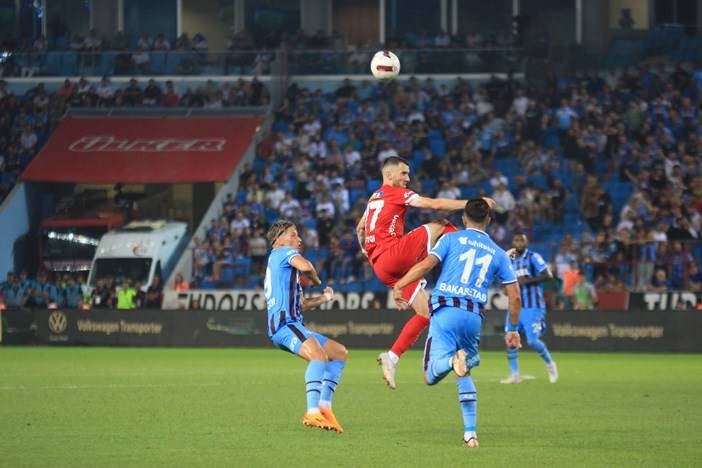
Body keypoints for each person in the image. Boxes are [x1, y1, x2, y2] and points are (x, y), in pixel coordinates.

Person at [391, 198, 522, 447]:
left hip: (445, 311)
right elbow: (514, 297)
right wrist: (513, 330)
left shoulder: (451, 239)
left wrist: (400, 284)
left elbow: (427, 265)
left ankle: (452, 360)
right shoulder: (497, 252)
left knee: (430, 375)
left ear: (463, 218)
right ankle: (470, 433)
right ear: (489, 221)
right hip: (473, 317)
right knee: (465, 372)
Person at [357, 156, 491, 389]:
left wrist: (369, 254)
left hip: (382, 267)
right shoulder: (395, 193)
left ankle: (392, 357)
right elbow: (435, 204)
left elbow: (360, 229)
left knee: (425, 313)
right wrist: (472, 203)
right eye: (404, 174)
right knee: (440, 223)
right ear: (389, 176)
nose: (408, 179)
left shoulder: (373, 198)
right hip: (393, 255)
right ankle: (475, 251)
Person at [264, 220, 348, 433]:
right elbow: (307, 266)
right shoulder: (283, 252)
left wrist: (324, 298)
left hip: (293, 324)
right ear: (279, 239)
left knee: (339, 353)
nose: (299, 239)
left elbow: (301, 304)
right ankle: (312, 412)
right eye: (293, 234)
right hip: (284, 325)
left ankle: (324, 408)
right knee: (318, 357)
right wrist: (316, 278)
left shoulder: (281, 266)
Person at [501, 234, 558, 384]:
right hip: (515, 306)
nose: (518, 243)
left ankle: (550, 364)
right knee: (510, 338)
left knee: (532, 341)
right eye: (516, 240)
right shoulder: (509, 260)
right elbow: (504, 282)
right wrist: (504, 289)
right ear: (512, 242)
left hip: (533, 306)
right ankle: (515, 374)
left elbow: (549, 276)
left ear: (527, 242)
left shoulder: (534, 257)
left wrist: (527, 281)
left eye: (522, 240)